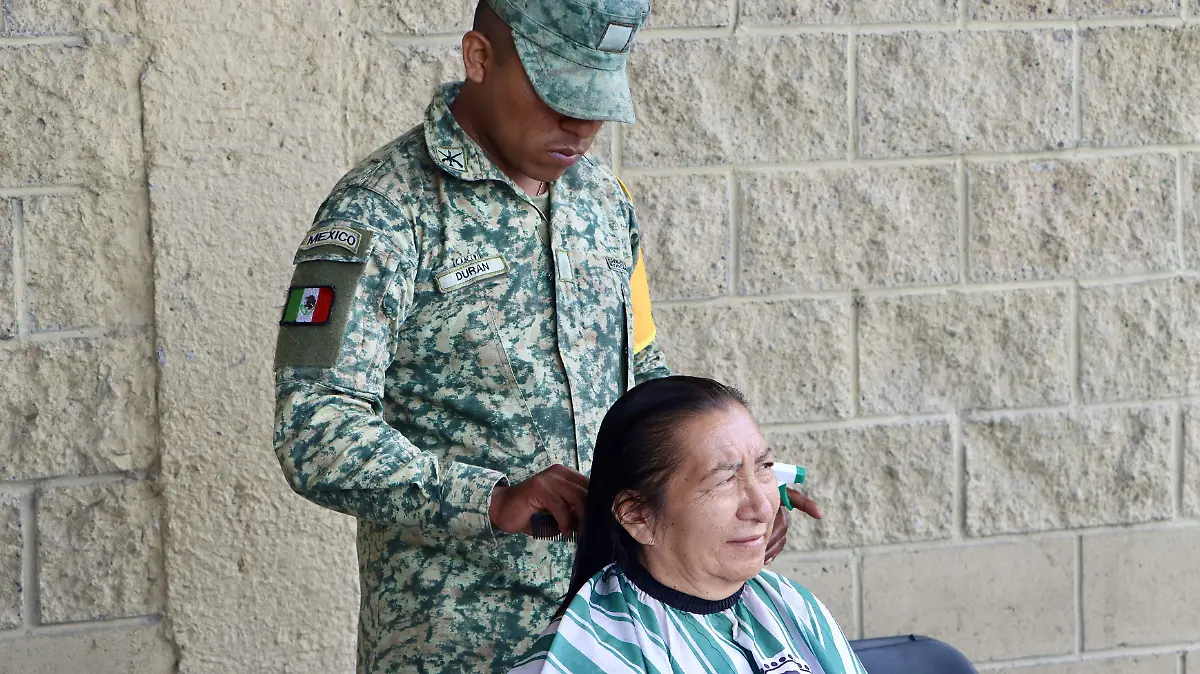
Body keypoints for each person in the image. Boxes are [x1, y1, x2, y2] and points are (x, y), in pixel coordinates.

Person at [272, 1, 817, 671]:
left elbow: (646, 385)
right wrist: (492, 499)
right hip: (459, 644)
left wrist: (744, 491)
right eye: (558, 96)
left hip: (614, 630)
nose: (582, 125)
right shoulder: (381, 212)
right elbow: (315, 431)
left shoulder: (601, 201)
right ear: (478, 59)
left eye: (595, 101)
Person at [510, 376, 864, 674]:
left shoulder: (792, 605)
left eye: (765, 467)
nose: (761, 507)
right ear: (637, 516)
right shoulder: (593, 653)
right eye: (724, 480)